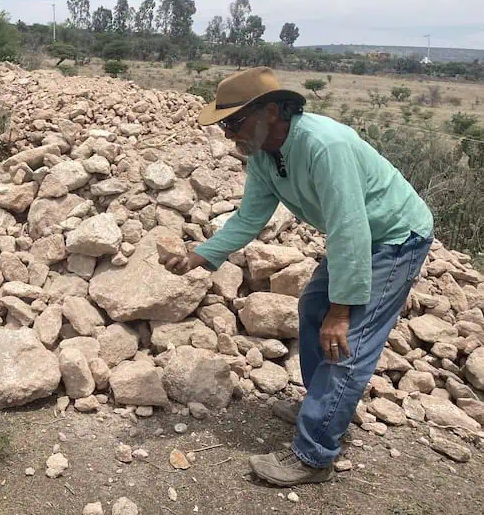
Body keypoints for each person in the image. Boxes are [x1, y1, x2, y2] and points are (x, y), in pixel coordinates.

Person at [161, 66, 433, 487]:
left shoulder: (325, 146)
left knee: (347, 342)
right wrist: (201, 256)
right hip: (359, 238)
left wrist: (341, 312)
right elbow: (250, 217)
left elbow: (350, 228)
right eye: (224, 125)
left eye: (234, 122)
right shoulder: (267, 155)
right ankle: (321, 408)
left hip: (394, 238)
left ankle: (313, 454)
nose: (228, 134)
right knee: (311, 309)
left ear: (271, 112)